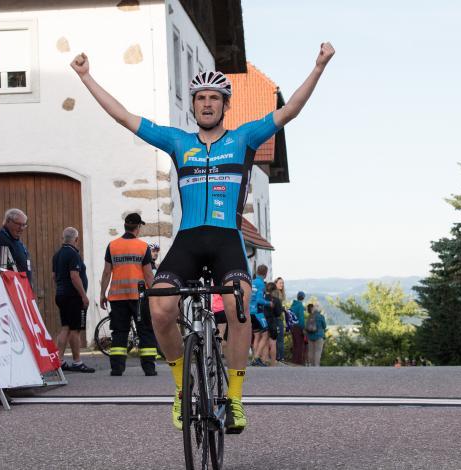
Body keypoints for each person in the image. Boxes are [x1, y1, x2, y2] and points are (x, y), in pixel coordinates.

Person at [70, 42, 335, 433]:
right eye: (201, 98)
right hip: (189, 240)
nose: (207, 104)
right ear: (193, 105)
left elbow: (289, 110)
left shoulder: (244, 138)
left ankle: (236, 400)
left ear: (225, 105)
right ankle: (181, 391)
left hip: (227, 238)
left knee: (239, 303)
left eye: (215, 98)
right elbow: (125, 117)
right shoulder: (180, 143)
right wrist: (85, 76)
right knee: (159, 308)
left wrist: (318, 67)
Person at [100, 213, 157, 376]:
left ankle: (117, 368)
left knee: (119, 332)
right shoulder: (143, 247)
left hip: (117, 298)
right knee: (145, 330)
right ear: (137, 228)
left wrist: (102, 294)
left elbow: (106, 273)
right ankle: (149, 368)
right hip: (139, 297)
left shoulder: (112, 245)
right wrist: (154, 294)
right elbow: (148, 275)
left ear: (125, 226)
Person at [52, 227, 95, 373]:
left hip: (61, 294)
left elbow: (54, 276)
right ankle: (77, 362)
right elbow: (74, 276)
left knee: (65, 327)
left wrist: (61, 288)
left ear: (63, 238)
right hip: (73, 297)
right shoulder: (73, 254)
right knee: (75, 330)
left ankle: (59, 360)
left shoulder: (57, 255)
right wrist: (83, 295)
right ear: (76, 239)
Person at [0, 208, 33, 284]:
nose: (21, 228)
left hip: (22, 289)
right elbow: (2, 270)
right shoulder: (2, 240)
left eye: (24, 225)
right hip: (10, 291)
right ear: (8, 221)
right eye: (19, 224)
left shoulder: (16, 240)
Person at [250, 265, 271, 366]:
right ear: (265, 274)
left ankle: (254, 358)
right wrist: (269, 303)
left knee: (257, 336)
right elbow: (259, 300)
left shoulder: (252, 282)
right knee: (265, 334)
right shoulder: (261, 284)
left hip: (250, 312)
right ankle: (257, 358)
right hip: (258, 312)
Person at [289, 291, 306, 365]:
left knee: (295, 344)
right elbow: (301, 319)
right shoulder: (300, 306)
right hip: (298, 327)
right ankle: (298, 362)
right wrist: (303, 328)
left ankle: (294, 361)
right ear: (303, 298)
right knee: (300, 345)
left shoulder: (293, 305)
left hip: (292, 326)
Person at [274, 277, 287, 362]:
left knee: (279, 338)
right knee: (279, 338)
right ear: (275, 284)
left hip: (279, 318)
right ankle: (280, 357)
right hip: (276, 318)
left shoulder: (281, 294)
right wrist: (283, 308)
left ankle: (279, 356)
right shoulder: (276, 293)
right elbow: (276, 306)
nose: (281, 285)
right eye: (280, 283)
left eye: (282, 283)